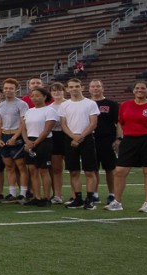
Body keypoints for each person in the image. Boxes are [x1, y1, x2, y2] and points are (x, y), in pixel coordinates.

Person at [108, 81, 147, 213]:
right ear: (133, 90)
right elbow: (121, 123)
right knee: (120, 171)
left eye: (143, 88)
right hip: (130, 140)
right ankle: (117, 202)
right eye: (137, 88)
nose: (139, 90)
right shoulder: (125, 105)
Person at [60, 79, 100, 209]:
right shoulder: (64, 105)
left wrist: (80, 137)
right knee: (73, 171)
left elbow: (93, 123)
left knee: (89, 171)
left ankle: (90, 199)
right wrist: (73, 137)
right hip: (70, 139)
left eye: (77, 86)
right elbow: (63, 124)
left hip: (86, 139)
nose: (74, 89)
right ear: (67, 89)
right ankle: (77, 198)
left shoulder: (90, 103)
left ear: (82, 88)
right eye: (71, 87)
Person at [20, 88, 57, 207]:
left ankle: (46, 198)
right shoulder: (29, 111)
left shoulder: (50, 110)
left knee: (43, 170)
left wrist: (35, 143)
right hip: (30, 141)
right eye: (32, 96)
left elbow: (47, 129)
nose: (34, 98)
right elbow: (24, 128)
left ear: (45, 97)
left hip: (43, 142)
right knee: (32, 170)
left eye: (37, 96)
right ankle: (36, 196)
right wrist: (26, 141)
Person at [88, 79, 120, 206]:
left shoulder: (111, 104)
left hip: (107, 139)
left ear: (102, 88)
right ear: (89, 89)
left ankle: (112, 193)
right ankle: (94, 194)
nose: (95, 88)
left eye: (98, 86)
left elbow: (119, 123)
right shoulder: (85, 104)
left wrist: (118, 139)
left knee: (110, 168)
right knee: (92, 168)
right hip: (90, 139)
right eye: (93, 86)